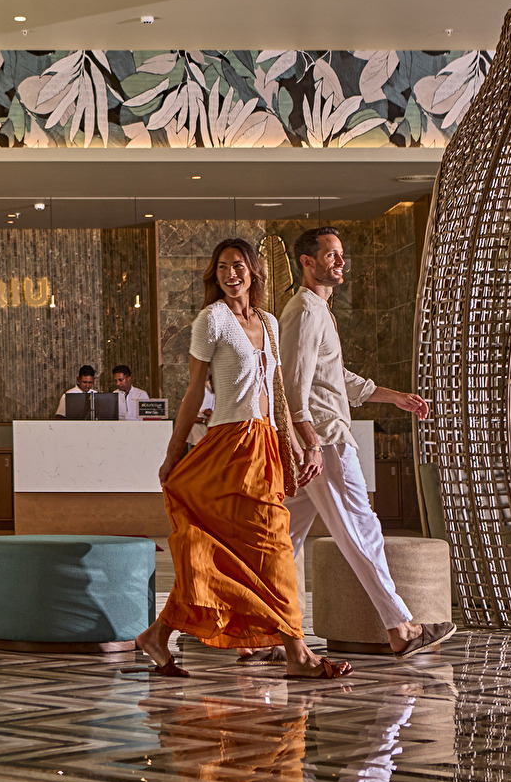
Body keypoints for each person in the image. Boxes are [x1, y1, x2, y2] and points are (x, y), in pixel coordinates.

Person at [134, 238, 345, 678]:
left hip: (265, 444)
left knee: (238, 554)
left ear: (253, 272)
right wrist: (173, 453)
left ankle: (157, 634)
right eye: (223, 267)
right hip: (230, 446)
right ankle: (297, 653)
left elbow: (279, 392)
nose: (231, 274)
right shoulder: (211, 320)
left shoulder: (269, 322)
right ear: (215, 275)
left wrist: (299, 442)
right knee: (273, 548)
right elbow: (194, 392)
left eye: (238, 266)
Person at [280, 225, 453, 659]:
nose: (341, 262)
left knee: (282, 539)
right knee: (362, 528)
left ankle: (259, 634)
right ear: (307, 262)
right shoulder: (305, 310)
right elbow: (294, 384)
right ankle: (401, 627)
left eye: (341, 254)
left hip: (317, 440)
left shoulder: (318, 310)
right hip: (324, 441)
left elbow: (334, 377)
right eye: (331, 255)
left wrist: (392, 397)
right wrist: (309, 441)